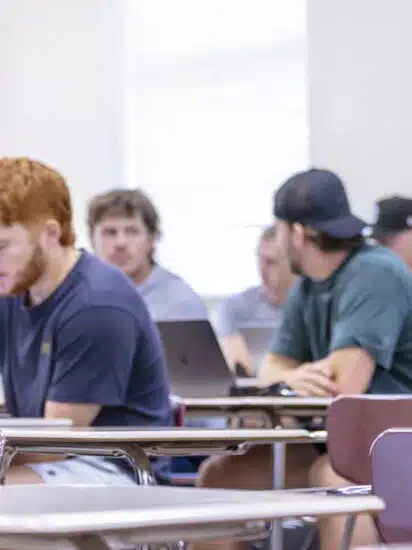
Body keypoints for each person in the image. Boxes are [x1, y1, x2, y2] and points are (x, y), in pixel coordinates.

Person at [195, 168, 412, 550]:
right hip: (343, 442)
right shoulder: (308, 285)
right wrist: (294, 377)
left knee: (333, 482)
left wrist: (290, 378)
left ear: (297, 234)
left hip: (405, 444)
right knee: (220, 479)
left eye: (278, 230)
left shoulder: (374, 273)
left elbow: (342, 388)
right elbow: (270, 371)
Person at [0, 158, 174, 485]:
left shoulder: (97, 304)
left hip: (115, 469)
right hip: (52, 457)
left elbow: (54, 444)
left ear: (50, 234)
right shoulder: (13, 285)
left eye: (2, 246)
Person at [87, 188, 208, 322]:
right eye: (110, 232)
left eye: (132, 232)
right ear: (92, 240)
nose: (120, 243)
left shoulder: (180, 303)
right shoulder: (76, 297)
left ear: (151, 239)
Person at [214, 225, 295, 374]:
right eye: (260, 260)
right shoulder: (235, 307)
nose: (261, 269)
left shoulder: (313, 305)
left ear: (293, 264)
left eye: (271, 262)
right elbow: (238, 367)